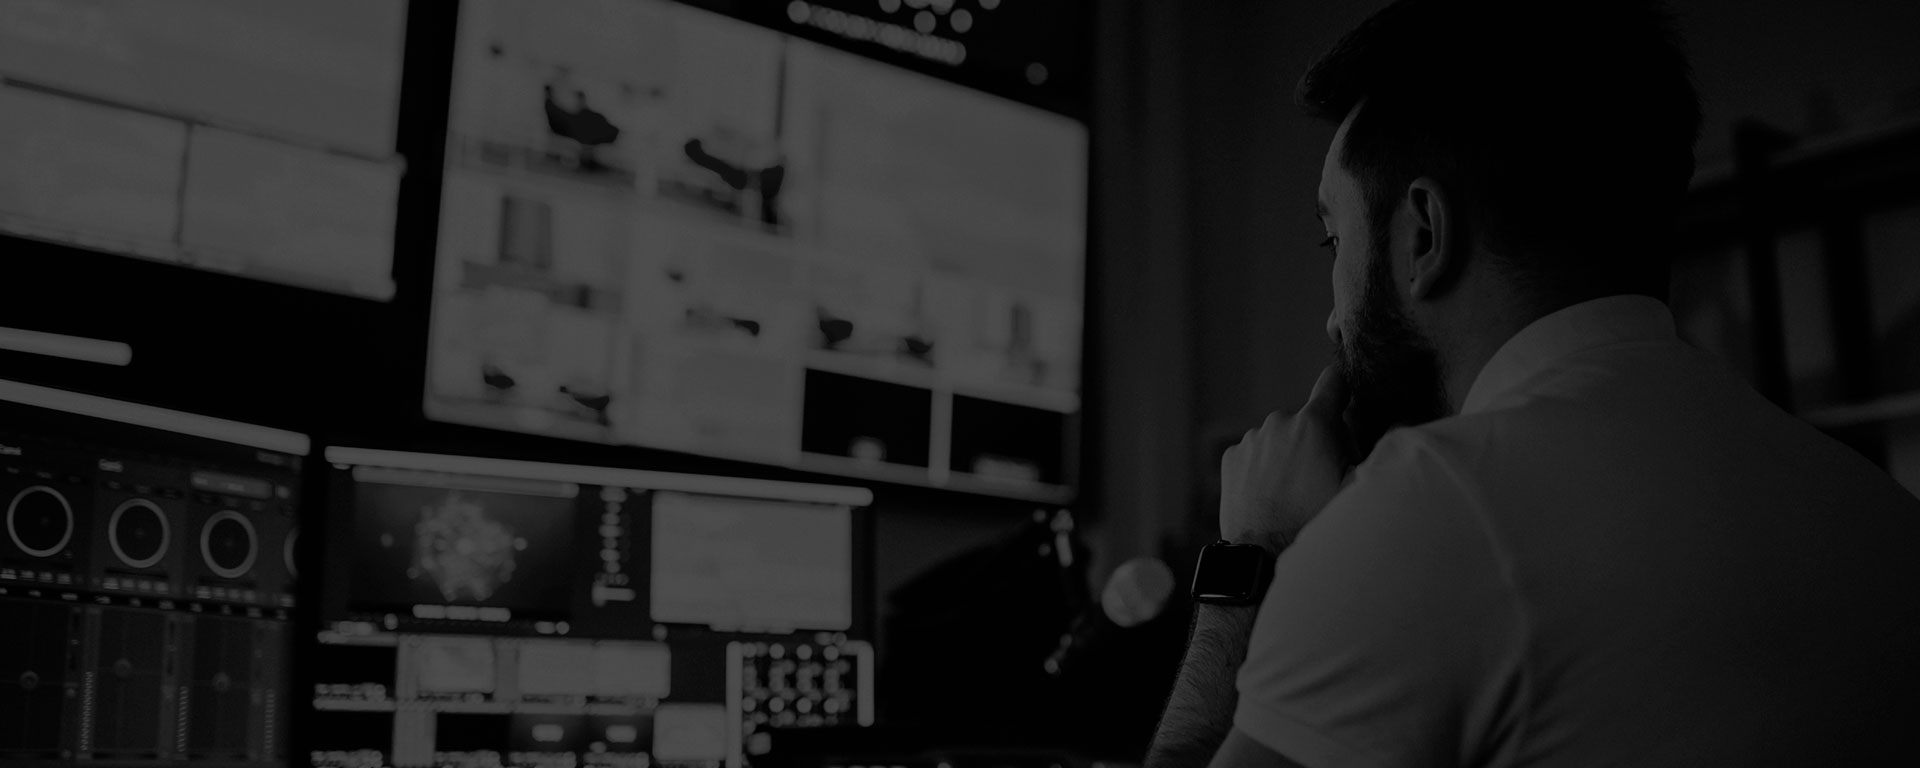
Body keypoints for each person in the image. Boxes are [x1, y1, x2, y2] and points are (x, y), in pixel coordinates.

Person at [1146, 1, 1920, 766]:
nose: (1330, 319)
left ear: (1423, 234)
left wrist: (1250, 554)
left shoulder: (1425, 511)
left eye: (1333, 239)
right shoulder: (1880, 513)